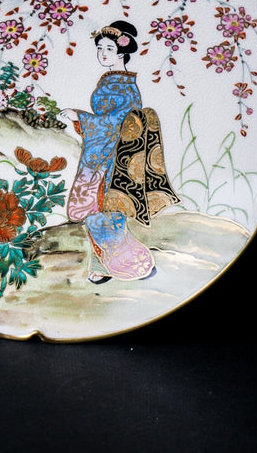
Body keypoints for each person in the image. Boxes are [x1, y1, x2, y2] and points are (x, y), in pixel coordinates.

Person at [60, 20, 180, 284]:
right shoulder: (113, 81)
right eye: (100, 48)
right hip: (102, 151)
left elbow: (118, 122)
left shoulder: (126, 87)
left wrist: (81, 117)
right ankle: (104, 266)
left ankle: (130, 264)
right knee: (98, 211)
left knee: (104, 209)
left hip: (112, 156)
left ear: (122, 52)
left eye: (109, 49)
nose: (102, 53)